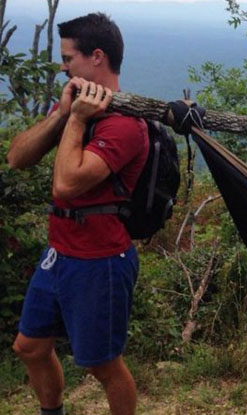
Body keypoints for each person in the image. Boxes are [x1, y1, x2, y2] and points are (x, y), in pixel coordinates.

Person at [7, 13, 148, 415]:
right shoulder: (72, 108)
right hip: (60, 252)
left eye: (69, 57)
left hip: (100, 259)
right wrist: (61, 115)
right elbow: (17, 157)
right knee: (29, 346)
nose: (64, 66)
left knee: (102, 364)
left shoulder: (124, 124)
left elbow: (66, 185)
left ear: (97, 57)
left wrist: (79, 118)